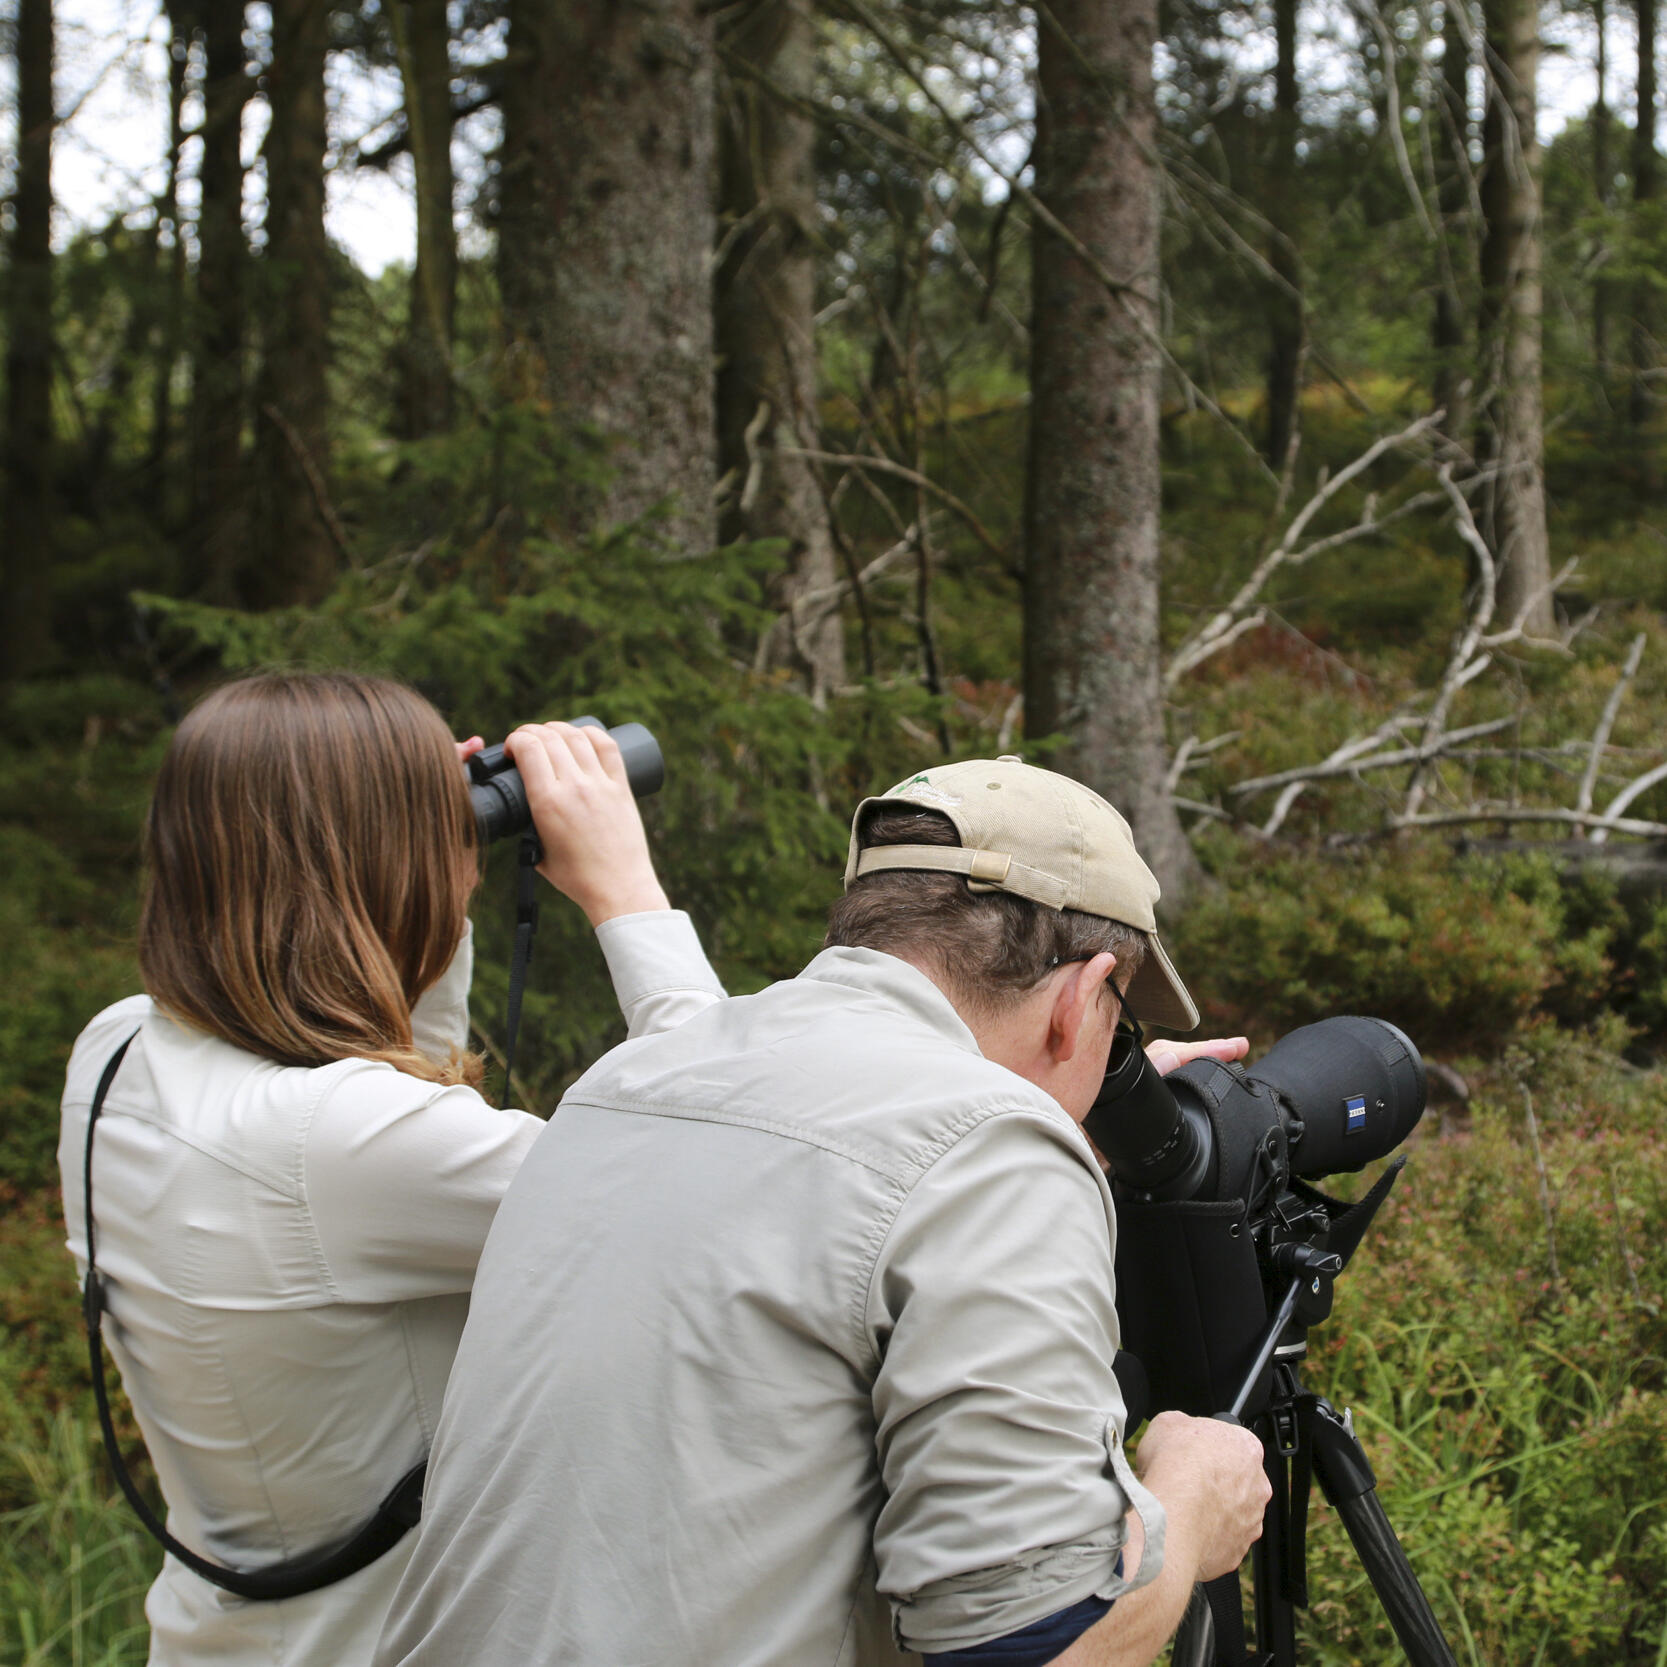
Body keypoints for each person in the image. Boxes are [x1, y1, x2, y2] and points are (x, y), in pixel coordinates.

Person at [376, 755, 1271, 1667]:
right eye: (1119, 1028)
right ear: (1080, 1000)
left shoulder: (625, 1079)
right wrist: (1192, 1505)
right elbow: (1029, 1652)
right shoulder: (987, 1149)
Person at [56, 671, 724, 1667]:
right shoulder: (342, 1143)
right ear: (380, 865)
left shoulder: (113, 1051)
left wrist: (426, 897)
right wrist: (627, 889)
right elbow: (737, 1167)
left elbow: (384, 1089)